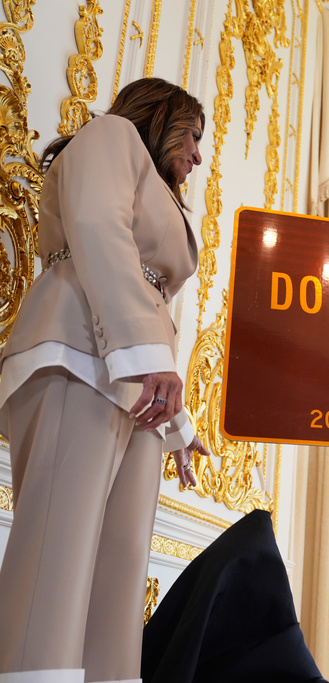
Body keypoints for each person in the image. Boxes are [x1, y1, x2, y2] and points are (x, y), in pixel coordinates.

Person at [0, 78, 211, 683]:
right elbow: (96, 223)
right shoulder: (110, 136)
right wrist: (148, 360)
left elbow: (152, 304)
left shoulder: (158, 192)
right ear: (163, 115)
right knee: (56, 562)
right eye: (194, 136)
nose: (198, 156)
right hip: (76, 354)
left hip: (130, 377)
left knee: (117, 580)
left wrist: (177, 422)